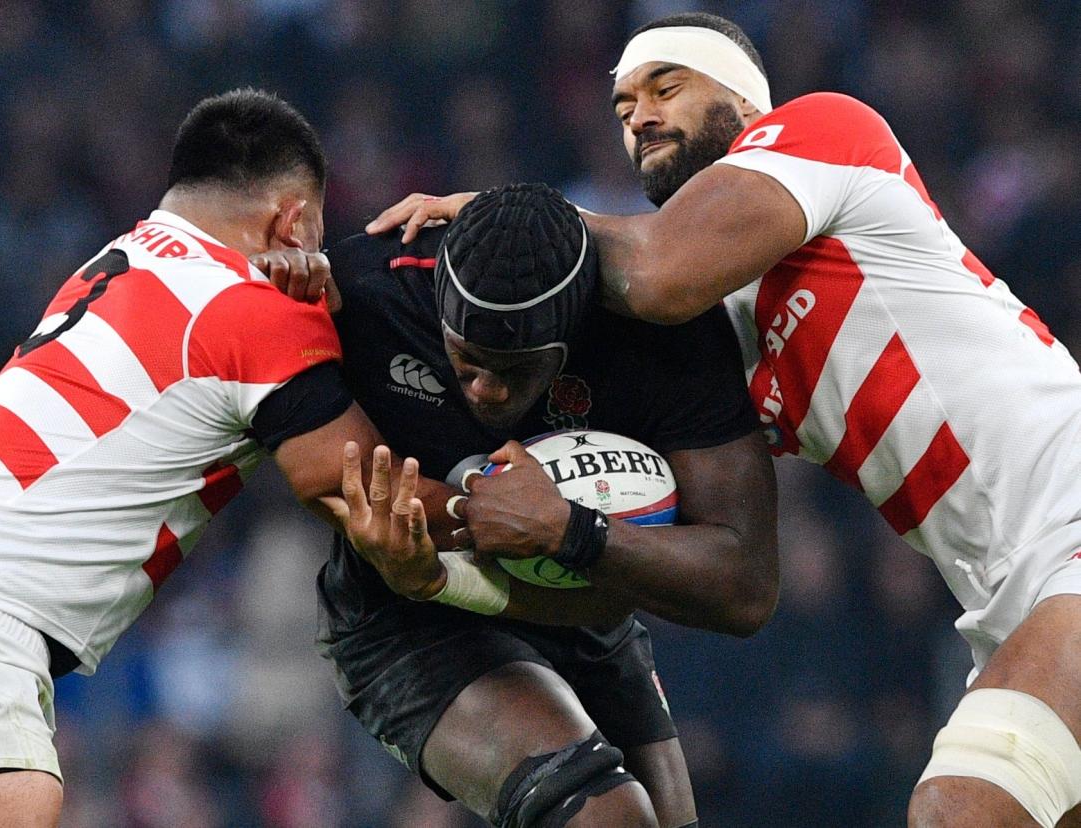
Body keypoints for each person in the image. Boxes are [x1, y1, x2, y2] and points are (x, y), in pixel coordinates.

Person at [366, 11, 1081, 828]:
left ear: (745, 100)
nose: (639, 115)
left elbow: (662, 269)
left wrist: (518, 225)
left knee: (961, 810)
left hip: (1070, 524)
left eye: (666, 86)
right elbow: (717, 566)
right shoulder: (714, 337)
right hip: (1007, 599)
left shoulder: (825, 132)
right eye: (623, 106)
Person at [0, 88, 459, 828]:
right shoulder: (250, 309)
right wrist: (537, 513)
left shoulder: (121, 261)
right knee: (21, 795)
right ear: (291, 220)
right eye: (316, 232)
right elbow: (372, 497)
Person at [323, 183, 777, 828]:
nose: (482, 388)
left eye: (513, 370)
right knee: (605, 817)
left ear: (572, 339)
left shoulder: (665, 329)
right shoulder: (368, 291)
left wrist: (568, 530)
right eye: (464, 361)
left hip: (589, 606)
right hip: (408, 613)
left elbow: (746, 587)